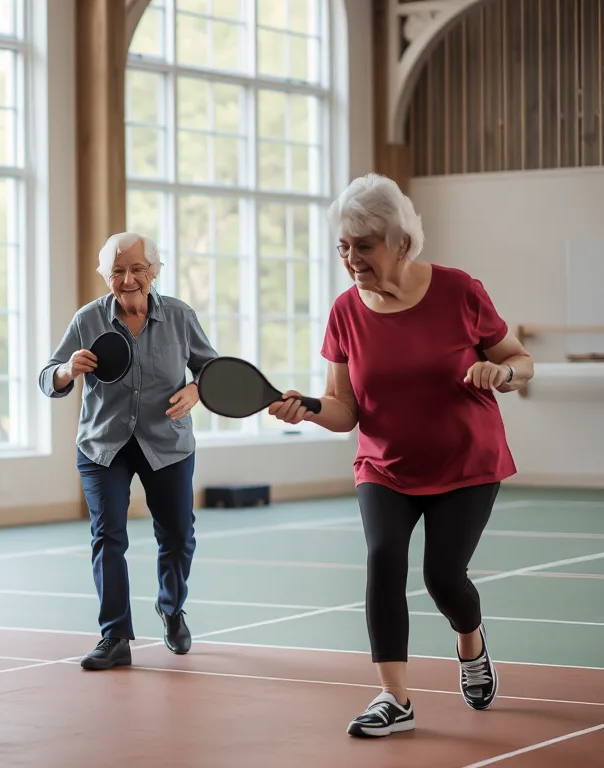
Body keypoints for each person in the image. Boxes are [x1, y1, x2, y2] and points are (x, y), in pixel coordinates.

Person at [269, 174, 534, 738]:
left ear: (402, 243)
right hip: (384, 467)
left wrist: (502, 371)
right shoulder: (345, 312)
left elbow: (519, 358)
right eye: (343, 246)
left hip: (467, 463)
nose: (351, 258)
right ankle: (394, 696)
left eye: (364, 245)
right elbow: (345, 408)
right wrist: (310, 408)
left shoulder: (460, 290)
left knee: (444, 576)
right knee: (383, 556)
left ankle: (470, 641)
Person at [39, 232, 218, 671]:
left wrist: (196, 389)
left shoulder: (179, 315)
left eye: (138, 268)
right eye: (118, 271)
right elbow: (48, 377)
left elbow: (212, 368)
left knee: (178, 536)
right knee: (108, 536)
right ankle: (114, 635)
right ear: (107, 277)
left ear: (154, 271)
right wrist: (66, 370)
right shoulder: (87, 319)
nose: (129, 278)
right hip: (105, 445)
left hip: (168, 443)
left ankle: (171, 607)